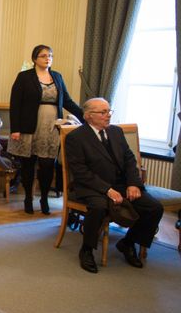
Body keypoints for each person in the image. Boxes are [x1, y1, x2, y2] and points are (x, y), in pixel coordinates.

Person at [66, 98, 163, 274]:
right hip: (93, 186)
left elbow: (129, 160)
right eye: (103, 112)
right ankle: (87, 249)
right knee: (99, 207)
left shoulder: (116, 132)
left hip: (122, 184)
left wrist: (133, 183)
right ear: (88, 116)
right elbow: (81, 172)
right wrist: (107, 190)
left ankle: (127, 243)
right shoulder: (76, 138)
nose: (108, 115)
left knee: (154, 208)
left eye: (109, 111)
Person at [8, 44, 83, 215]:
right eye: (43, 55)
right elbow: (15, 104)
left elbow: (68, 101)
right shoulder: (24, 77)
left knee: (48, 165)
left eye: (50, 55)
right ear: (35, 58)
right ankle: (28, 197)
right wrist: (15, 128)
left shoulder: (57, 76)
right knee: (28, 165)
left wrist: (85, 115)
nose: (47, 58)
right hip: (29, 126)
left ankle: (43, 198)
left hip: (51, 127)